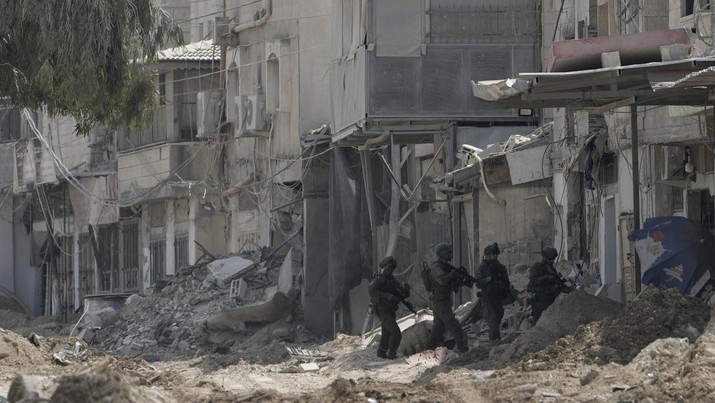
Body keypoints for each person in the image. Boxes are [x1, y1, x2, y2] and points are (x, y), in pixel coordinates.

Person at [426, 243, 470, 354]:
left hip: (443, 300)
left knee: (439, 327)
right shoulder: (437, 267)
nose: (451, 254)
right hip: (439, 301)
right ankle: (463, 348)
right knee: (453, 324)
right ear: (443, 254)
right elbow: (442, 280)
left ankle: (428, 349)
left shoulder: (445, 266)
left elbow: (450, 282)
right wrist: (452, 274)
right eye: (449, 253)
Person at [368, 256, 409, 359]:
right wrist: (386, 295)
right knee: (396, 333)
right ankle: (392, 354)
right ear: (384, 266)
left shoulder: (392, 280)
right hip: (382, 309)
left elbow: (400, 294)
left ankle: (381, 352)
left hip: (390, 309)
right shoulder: (379, 279)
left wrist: (406, 291)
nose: (391, 270)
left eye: (392, 268)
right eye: (389, 268)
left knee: (386, 332)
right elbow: (371, 290)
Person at [475, 242, 512, 341]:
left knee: (499, 316)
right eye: (493, 254)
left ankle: (495, 338)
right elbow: (478, 283)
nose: (495, 256)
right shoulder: (482, 267)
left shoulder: (500, 267)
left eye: (496, 254)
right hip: (487, 297)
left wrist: (508, 294)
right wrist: (488, 279)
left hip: (498, 297)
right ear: (488, 255)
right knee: (493, 318)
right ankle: (494, 340)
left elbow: (506, 282)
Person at [527, 246, 567, 323]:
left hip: (549, 300)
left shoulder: (552, 269)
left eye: (552, 259)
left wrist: (564, 287)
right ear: (545, 258)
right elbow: (533, 280)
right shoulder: (537, 267)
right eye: (550, 259)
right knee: (538, 322)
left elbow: (557, 282)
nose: (551, 261)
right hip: (539, 300)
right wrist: (545, 277)